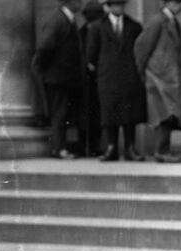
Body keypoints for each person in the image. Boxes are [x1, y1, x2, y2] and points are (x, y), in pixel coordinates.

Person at [86, 0, 146, 162]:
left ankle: (130, 147)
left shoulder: (134, 26)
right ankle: (111, 147)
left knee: (130, 113)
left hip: (129, 76)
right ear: (109, 7)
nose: (119, 8)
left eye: (121, 4)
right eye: (115, 4)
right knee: (109, 112)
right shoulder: (98, 27)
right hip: (108, 77)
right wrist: (101, 70)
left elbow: (140, 51)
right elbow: (91, 54)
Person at [134, 0, 181, 163]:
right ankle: (161, 151)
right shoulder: (157, 21)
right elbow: (141, 47)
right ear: (167, 3)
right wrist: (144, 71)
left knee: (170, 114)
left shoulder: (170, 21)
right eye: (177, 2)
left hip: (169, 76)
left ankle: (164, 150)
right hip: (160, 77)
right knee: (164, 114)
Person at [32, 0, 84, 159]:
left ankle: (60, 148)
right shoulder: (57, 20)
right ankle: (58, 149)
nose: (81, 3)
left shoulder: (65, 19)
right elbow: (45, 47)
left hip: (64, 77)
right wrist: (44, 67)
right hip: (57, 77)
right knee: (59, 114)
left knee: (62, 114)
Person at [80, 0, 104, 157]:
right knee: (89, 116)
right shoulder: (86, 32)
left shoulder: (81, 31)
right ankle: (89, 147)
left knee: (93, 115)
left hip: (92, 79)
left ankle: (91, 147)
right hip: (87, 79)